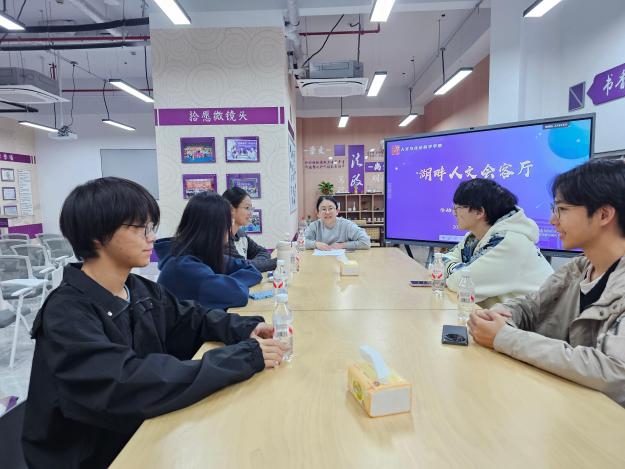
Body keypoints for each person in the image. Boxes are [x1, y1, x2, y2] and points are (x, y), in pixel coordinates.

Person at [22, 177, 287, 469]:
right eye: (140, 228)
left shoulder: (138, 289)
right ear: (97, 235)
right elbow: (127, 381)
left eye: (151, 227)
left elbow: (192, 318)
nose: (151, 237)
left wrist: (244, 328)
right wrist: (242, 358)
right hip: (94, 455)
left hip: (142, 431)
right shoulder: (66, 312)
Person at [468, 159, 625, 407]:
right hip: (565, 406)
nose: (553, 220)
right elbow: (531, 306)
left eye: (562, 209)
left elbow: (615, 373)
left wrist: (506, 338)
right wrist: (499, 316)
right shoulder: (578, 269)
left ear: (604, 214)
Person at [443, 179, 553, 308]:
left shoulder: (509, 243)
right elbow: (441, 261)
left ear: (479, 212)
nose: (454, 213)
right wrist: (459, 269)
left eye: (457, 208)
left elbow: (460, 283)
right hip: (505, 316)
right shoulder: (474, 237)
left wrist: (455, 270)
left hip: (537, 319)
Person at [155, 192, 262, 310]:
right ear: (215, 228)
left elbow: (252, 270)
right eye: (228, 223)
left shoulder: (201, 254)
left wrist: (225, 282)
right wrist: (227, 283)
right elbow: (238, 294)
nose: (230, 228)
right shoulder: (185, 268)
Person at [222, 186, 276, 272]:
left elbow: (263, 252)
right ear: (231, 209)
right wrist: (278, 262)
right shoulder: (223, 238)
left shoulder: (240, 233)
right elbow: (241, 266)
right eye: (247, 208)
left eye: (251, 209)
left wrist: (252, 264)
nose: (251, 213)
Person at [304, 195, 371, 250]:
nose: (327, 212)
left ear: (337, 211)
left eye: (330, 208)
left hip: (343, 260)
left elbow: (366, 242)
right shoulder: (314, 226)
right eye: (323, 209)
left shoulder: (347, 225)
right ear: (318, 213)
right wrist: (316, 244)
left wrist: (342, 245)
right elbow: (302, 242)